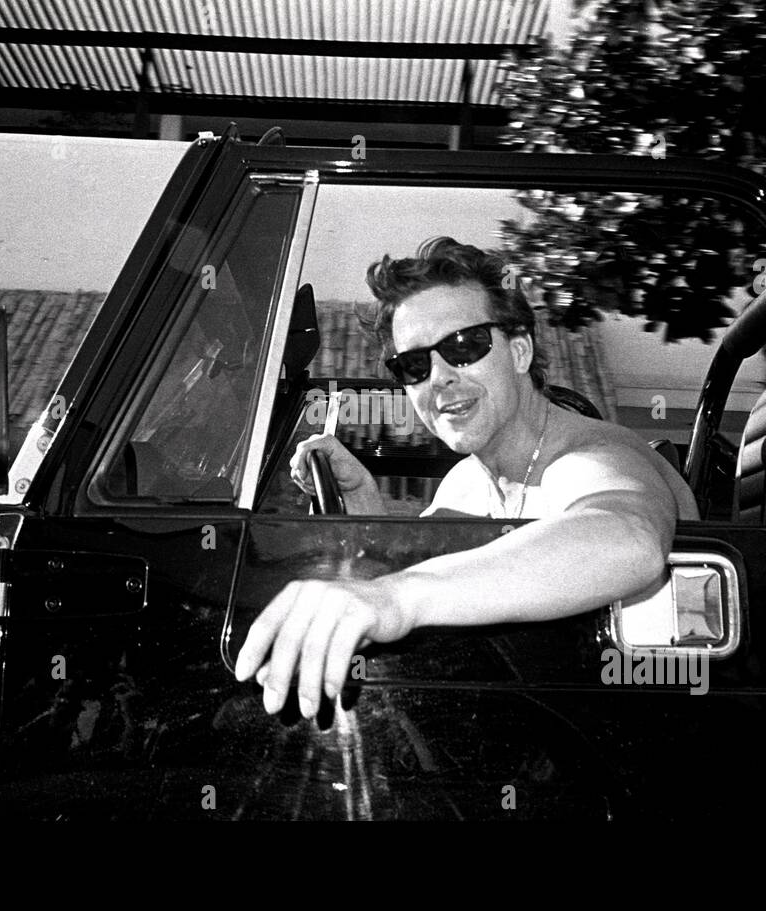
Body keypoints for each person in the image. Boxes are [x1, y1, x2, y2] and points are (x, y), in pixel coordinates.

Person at [234, 237, 699, 716]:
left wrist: (395, 598)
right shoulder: (466, 481)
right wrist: (364, 503)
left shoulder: (592, 456)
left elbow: (630, 541)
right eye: (413, 364)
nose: (438, 378)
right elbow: (421, 577)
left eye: (463, 346)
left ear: (519, 353)